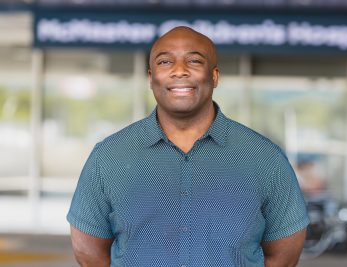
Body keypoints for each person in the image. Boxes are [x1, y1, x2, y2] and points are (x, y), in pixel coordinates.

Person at [67, 26, 309, 267]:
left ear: (214, 76)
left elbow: (282, 257)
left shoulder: (266, 159)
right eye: (165, 62)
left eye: (194, 61)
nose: (179, 71)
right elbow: (89, 253)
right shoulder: (108, 157)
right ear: (151, 78)